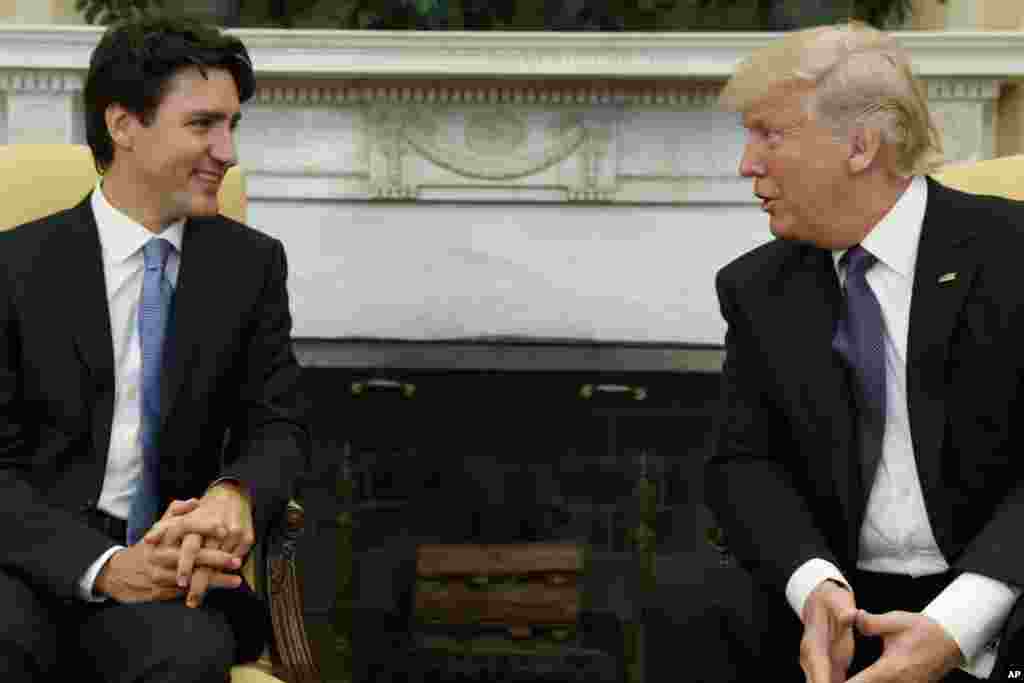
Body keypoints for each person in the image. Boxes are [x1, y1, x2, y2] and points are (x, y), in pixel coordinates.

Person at [705, 21, 1024, 682]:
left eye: (770, 133)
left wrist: (955, 626)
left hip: (1003, 608)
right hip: (838, 630)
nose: (747, 164)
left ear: (858, 145)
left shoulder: (1012, 256)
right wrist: (813, 587)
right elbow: (745, 464)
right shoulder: (759, 288)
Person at [0, 15, 310, 682]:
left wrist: (235, 490)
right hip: (29, 565)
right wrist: (106, 567)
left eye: (232, 126)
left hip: (178, 575)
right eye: (203, 124)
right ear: (123, 126)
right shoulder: (13, 268)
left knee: (183, 657)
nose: (226, 151)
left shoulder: (250, 266)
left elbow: (278, 423)